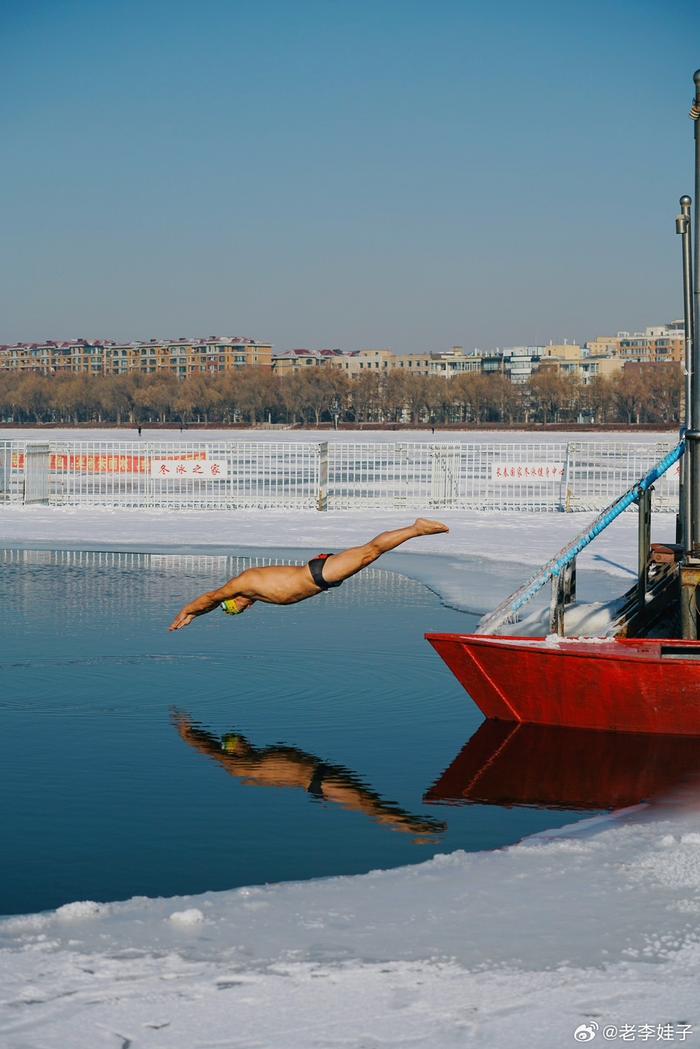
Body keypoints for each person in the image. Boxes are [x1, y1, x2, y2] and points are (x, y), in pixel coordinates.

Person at [171, 711, 446, 839]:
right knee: (368, 805)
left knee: (370, 802)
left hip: (321, 775)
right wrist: (189, 735)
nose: (242, 740)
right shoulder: (239, 767)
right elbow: (210, 751)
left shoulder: (253, 758)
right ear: (231, 751)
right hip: (319, 781)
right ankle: (413, 828)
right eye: (234, 742)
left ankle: (410, 825)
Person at [169, 518, 449, 631]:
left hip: (318, 574)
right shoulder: (255, 592)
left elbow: (211, 597)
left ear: (237, 599)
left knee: (371, 552)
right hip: (321, 576)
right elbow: (214, 600)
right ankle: (415, 530)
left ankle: (416, 528)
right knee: (369, 553)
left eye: (232, 609)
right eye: (235, 612)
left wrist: (189, 611)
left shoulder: (244, 583)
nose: (238, 609)